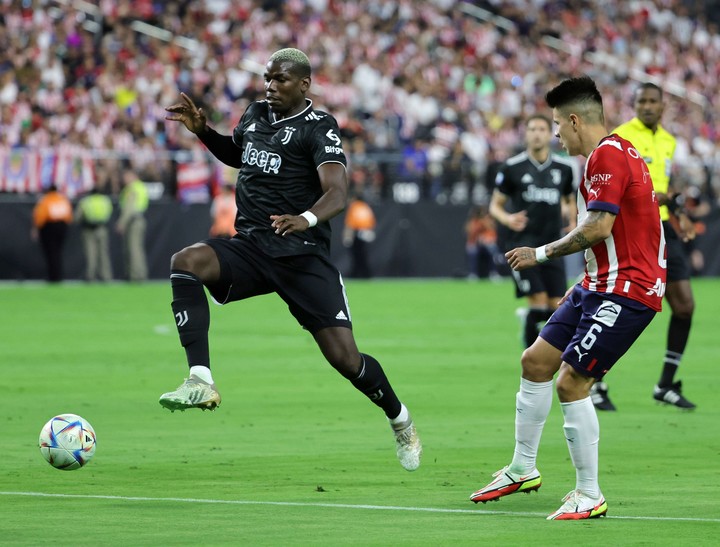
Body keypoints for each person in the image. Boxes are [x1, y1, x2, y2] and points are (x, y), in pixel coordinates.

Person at [159, 48, 421, 471]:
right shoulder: (255, 114)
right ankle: (200, 379)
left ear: (304, 85)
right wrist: (203, 131)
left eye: (280, 79)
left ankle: (400, 419)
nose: (270, 86)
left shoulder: (319, 128)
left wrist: (306, 218)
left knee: (345, 360)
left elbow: (338, 193)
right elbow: (237, 155)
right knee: (186, 261)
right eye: (267, 78)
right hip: (252, 246)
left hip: (302, 257)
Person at [470, 76, 666, 520]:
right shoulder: (612, 153)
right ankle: (522, 468)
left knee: (571, 382)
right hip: (597, 285)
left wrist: (539, 253)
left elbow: (598, 227)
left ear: (576, 121)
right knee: (535, 362)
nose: (556, 133)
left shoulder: (608, 157)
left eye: (558, 124)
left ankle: (589, 493)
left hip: (627, 290)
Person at [590, 83, 696, 411]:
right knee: (616, 301)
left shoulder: (668, 140)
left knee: (685, 306)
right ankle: (593, 379)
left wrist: (677, 211)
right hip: (634, 227)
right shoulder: (622, 136)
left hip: (663, 225)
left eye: (653, 101)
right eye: (642, 101)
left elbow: (662, 186)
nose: (647, 106)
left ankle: (665, 384)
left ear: (663, 106)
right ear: (634, 104)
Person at [489, 114, 578, 348]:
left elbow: (570, 200)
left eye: (541, 129)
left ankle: (531, 325)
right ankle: (531, 363)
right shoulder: (512, 167)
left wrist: (572, 219)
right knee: (538, 303)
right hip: (522, 245)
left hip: (553, 247)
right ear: (526, 134)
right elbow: (494, 205)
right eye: (532, 129)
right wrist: (508, 219)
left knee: (556, 307)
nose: (537, 133)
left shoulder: (564, 168)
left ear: (550, 134)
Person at [32, 184, 73, 282]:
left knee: (51, 252)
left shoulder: (45, 199)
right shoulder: (63, 199)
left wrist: (36, 228)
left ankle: (53, 276)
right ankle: (58, 275)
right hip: (62, 226)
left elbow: (40, 215)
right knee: (58, 252)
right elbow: (69, 215)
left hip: (49, 227)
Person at [116, 167, 149, 282]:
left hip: (133, 221)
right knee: (137, 249)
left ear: (132, 176)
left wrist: (122, 222)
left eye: (126, 176)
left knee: (133, 249)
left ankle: (135, 276)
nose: (124, 179)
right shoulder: (140, 186)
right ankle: (140, 274)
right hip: (138, 220)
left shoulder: (132, 188)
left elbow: (129, 207)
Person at [75, 187, 114, 282]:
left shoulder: (86, 201)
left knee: (90, 254)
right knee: (103, 254)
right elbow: (110, 213)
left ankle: (90, 276)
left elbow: (77, 217)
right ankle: (106, 276)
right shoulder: (105, 201)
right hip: (102, 228)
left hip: (89, 229)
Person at [342, 192, 376, 278]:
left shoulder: (354, 206)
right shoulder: (365, 206)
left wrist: (347, 237)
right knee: (363, 255)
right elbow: (372, 221)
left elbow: (350, 224)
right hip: (366, 233)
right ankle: (366, 274)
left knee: (356, 256)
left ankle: (356, 274)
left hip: (357, 234)